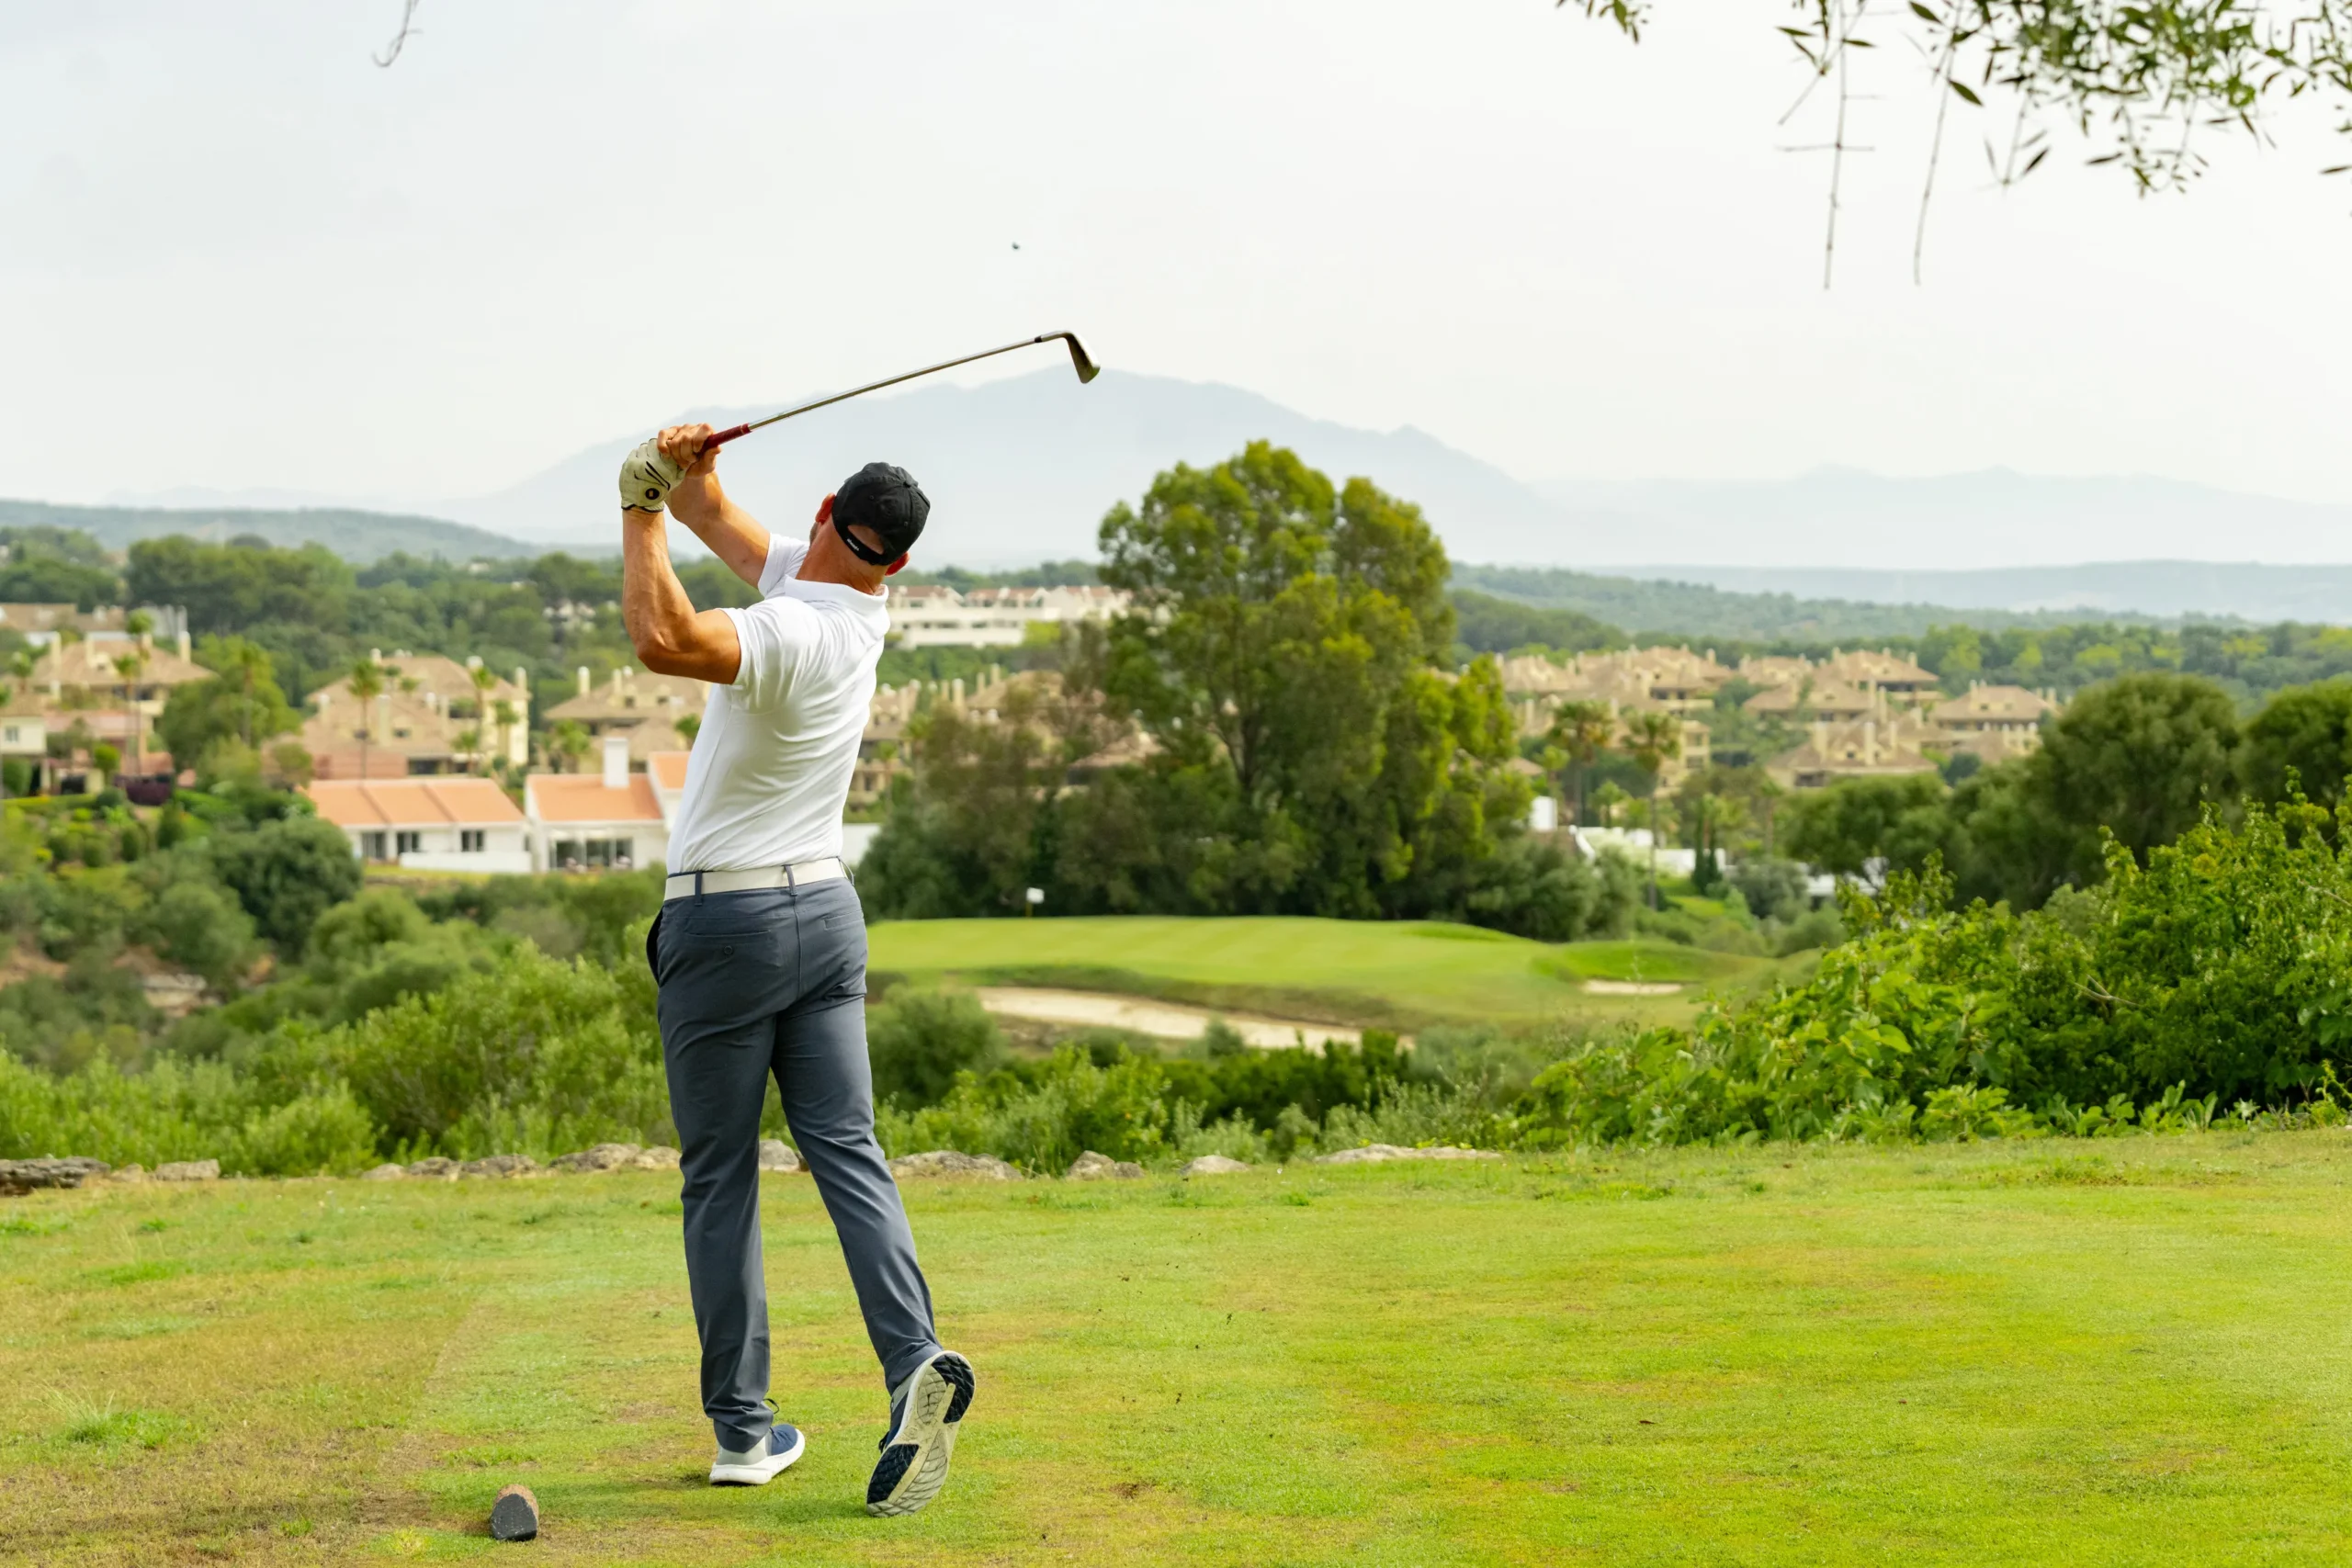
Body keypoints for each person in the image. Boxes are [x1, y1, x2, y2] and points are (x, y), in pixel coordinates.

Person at [616, 424, 972, 1517]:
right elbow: (719, 522)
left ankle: (742, 1432)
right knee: (847, 1150)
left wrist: (635, 507)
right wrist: (688, 473)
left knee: (720, 1175)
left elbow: (663, 639)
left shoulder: (791, 628)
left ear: (825, 512)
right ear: (893, 559)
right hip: (826, 913)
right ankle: (912, 1361)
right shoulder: (855, 608)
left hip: (727, 924)